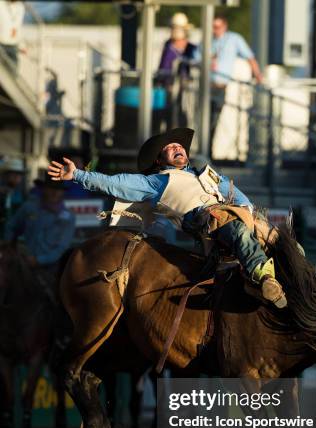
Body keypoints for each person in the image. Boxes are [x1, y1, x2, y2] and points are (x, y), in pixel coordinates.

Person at [47, 127, 286, 307]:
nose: (177, 147)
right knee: (235, 228)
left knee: (283, 242)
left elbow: (235, 194)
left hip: (237, 214)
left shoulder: (206, 174)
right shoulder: (156, 181)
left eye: (179, 146)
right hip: (205, 220)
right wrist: (78, 175)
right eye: (169, 147)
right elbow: (115, 184)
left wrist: (251, 214)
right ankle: (262, 276)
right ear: (159, 160)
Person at [207, 15, 263, 149]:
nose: (215, 30)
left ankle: (208, 150)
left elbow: (250, 57)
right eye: (213, 27)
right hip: (205, 86)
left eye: (217, 27)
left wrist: (258, 76)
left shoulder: (234, 39)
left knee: (213, 119)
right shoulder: (208, 40)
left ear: (224, 27)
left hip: (220, 85)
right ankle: (205, 149)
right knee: (205, 120)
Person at [5, 176, 76, 280]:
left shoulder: (68, 217)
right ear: (44, 189)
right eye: (52, 188)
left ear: (62, 192)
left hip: (50, 268)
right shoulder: (29, 207)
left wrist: (39, 260)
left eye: (59, 190)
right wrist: (9, 247)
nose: (55, 193)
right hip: (21, 261)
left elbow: (62, 247)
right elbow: (11, 226)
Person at [158, 13, 197, 129]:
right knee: (169, 117)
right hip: (168, 87)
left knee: (182, 116)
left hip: (186, 90)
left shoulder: (191, 48)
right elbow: (163, 66)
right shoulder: (168, 45)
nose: (174, 31)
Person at [0, 158, 25, 236]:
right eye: (13, 174)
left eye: (19, 174)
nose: (17, 177)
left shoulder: (22, 194)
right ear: (5, 175)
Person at [0, 0, 25, 66]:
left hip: (14, 44)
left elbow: (19, 27)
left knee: (13, 70)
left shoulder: (20, 6)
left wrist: (22, 45)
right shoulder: (1, 4)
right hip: (1, 43)